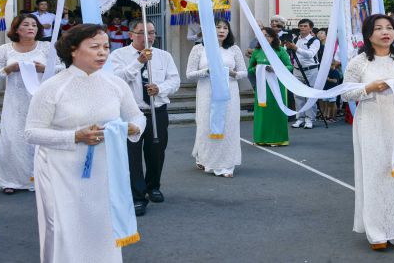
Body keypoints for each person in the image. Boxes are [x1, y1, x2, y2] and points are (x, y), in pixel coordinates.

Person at [25, 24, 145, 263]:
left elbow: (137, 116)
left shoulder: (115, 84)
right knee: (61, 229)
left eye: (106, 47)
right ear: (73, 50)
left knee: (101, 226)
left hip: (103, 170)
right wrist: (75, 136)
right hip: (60, 171)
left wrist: (133, 128)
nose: (102, 52)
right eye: (94, 47)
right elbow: (31, 133)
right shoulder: (52, 87)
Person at [341, 14, 394, 250]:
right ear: (369, 34)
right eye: (379, 28)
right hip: (371, 122)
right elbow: (346, 93)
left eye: (389, 28)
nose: (386, 32)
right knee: (375, 173)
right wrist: (369, 87)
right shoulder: (359, 62)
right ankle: (376, 232)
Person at [109, 21, 180, 217]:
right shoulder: (118, 56)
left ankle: (153, 186)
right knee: (132, 156)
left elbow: (174, 80)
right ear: (131, 35)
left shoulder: (164, 56)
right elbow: (117, 80)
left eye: (151, 32)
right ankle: (137, 196)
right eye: (142, 33)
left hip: (157, 111)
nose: (148, 37)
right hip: (131, 113)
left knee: (156, 152)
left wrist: (160, 88)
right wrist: (139, 61)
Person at [0, 14, 63, 195]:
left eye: (34, 25)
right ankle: (11, 180)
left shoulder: (47, 47)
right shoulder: (5, 49)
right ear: (17, 29)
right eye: (26, 25)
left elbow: (62, 68)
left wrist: (43, 68)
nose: (31, 28)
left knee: (40, 140)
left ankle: (41, 178)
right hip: (15, 101)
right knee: (12, 140)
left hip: (41, 100)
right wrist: (9, 69)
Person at [186, 19, 247, 177]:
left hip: (229, 94)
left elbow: (243, 72)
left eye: (225, 28)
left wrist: (232, 73)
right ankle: (207, 159)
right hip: (208, 92)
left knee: (229, 126)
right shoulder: (199, 49)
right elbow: (189, 74)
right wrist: (207, 71)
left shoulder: (234, 49)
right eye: (218, 27)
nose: (222, 30)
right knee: (207, 125)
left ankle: (227, 164)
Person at [248, 27, 293, 146]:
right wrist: (259, 69)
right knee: (262, 112)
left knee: (276, 111)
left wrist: (275, 69)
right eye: (262, 35)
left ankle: (278, 139)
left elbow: (289, 67)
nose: (265, 38)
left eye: (267, 35)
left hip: (277, 87)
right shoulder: (256, 51)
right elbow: (250, 69)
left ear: (273, 37)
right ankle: (261, 139)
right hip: (262, 87)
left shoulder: (280, 51)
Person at [285, 19, 320, 129]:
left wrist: (295, 48)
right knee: (298, 95)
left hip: (311, 70)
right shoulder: (295, 39)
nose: (302, 28)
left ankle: (310, 119)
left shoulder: (314, 40)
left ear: (310, 28)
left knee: (310, 94)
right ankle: (300, 118)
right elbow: (287, 52)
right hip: (297, 69)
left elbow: (310, 54)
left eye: (305, 26)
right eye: (300, 26)